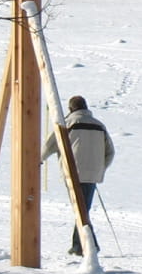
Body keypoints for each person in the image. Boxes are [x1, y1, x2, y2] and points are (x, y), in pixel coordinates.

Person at [42, 95, 116, 255]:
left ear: (70, 109)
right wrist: (101, 168)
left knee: (80, 209)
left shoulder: (67, 124)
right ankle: (84, 245)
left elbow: (51, 144)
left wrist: (38, 159)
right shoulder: (99, 125)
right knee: (83, 208)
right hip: (92, 174)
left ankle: (86, 246)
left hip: (73, 172)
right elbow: (110, 152)